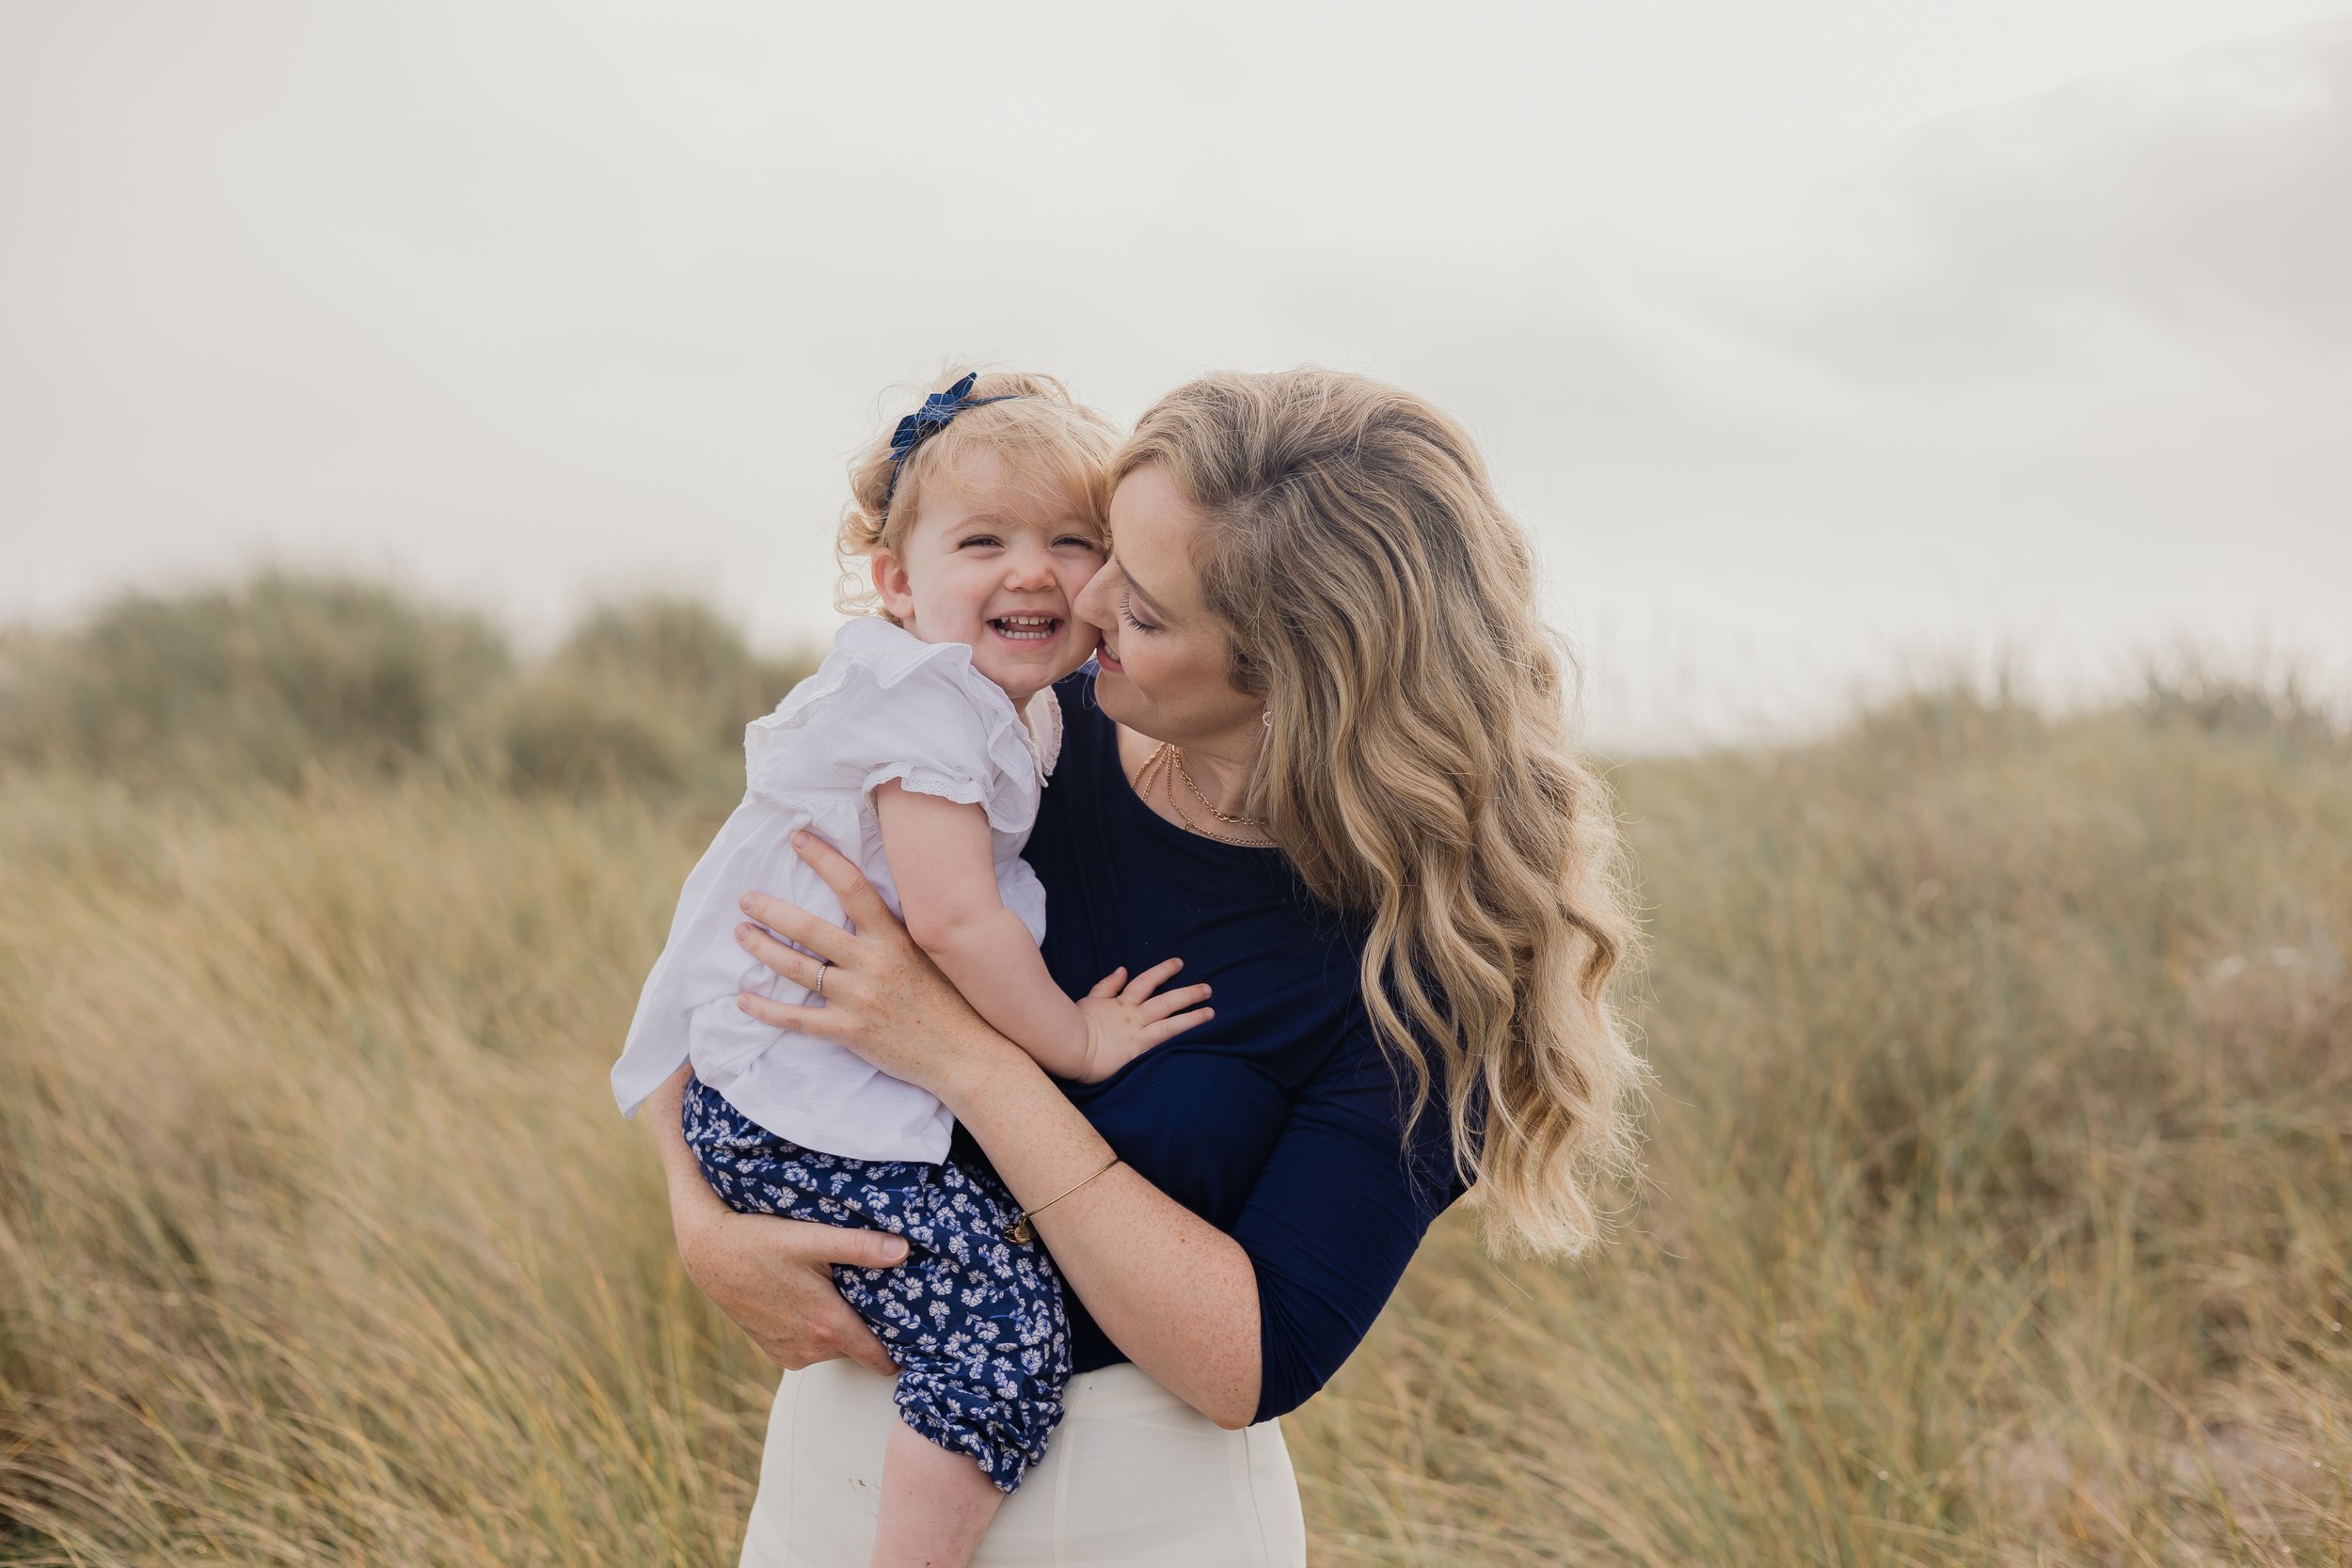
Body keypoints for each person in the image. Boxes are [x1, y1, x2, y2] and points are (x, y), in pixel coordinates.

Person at [641, 368, 1647, 1566]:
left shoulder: (1424, 967)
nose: (1090, 599)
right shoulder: (1008, 724)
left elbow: (1248, 1359)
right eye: (1106, 546)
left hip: (1132, 1521)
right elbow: (730, 949)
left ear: (1294, 677)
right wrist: (698, 1219)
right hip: (829, 1487)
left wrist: (967, 1059)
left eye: (1149, 607)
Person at [612, 371, 1213, 1568]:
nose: (1032, 570)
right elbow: (951, 919)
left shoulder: (1005, 700)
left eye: (1069, 539)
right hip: (800, 1112)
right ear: (895, 582)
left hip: (784, 1092)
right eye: (982, 540)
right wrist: (1074, 1040)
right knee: (999, 1339)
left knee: (989, 1292)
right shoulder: (927, 702)